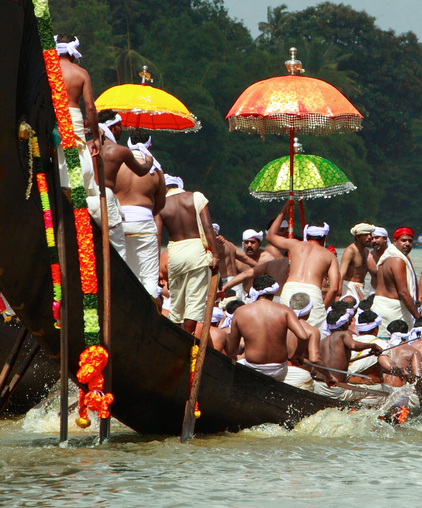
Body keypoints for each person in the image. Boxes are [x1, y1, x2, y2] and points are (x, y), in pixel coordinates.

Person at [96, 110, 166, 301]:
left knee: (122, 271)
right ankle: (147, 314)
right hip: (143, 223)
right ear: (150, 145)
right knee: (148, 277)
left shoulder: (117, 161)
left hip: (117, 221)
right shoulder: (156, 169)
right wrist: (147, 214)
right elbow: (161, 203)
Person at [262, 202, 341, 330]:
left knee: (289, 331)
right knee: (312, 333)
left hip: (289, 290)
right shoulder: (330, 255)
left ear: (307, 235)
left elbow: (270, 236)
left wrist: (283, 211)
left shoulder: (294, 244)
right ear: (324, 237)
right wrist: (323, 308)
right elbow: (333, 288)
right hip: (313, 293)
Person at [158, 173, 217, 333]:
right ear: (179, 186)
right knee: (194, 301)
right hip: (197, 252)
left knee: (176, 303)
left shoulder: (161, 205)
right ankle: (187, 337)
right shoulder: (195, 197)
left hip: (175, 254)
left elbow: (157, 235)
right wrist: (216, 255)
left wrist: (156, 266)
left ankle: (175, 337)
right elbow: (208, 227)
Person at [231, 275, 319, 382]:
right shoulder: (285, 311)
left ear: (254, 290)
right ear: (273, 293)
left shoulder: (240, 312)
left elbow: (232, 350)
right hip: (278, 370)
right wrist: (298, 354)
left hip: (252, 367)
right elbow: (303, 337)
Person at [54, 37, 100, 222]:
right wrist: (96, 137)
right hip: (73, 119)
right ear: (73, 52)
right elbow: (90, 108)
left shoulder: (49, 70)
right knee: (78, 162)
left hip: (52, 119)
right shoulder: (81, 73)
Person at [370, 227, 421, 328]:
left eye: (410, 241)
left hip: (379, 306)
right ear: (395, 241)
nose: (407, 243)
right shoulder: (397, 259)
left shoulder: (387, 256)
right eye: (403, 240)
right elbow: (403, 292)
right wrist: (419, 318)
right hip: (393, 310)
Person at [339, 224, 382, 303]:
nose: (369, 237)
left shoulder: (366, 251)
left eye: (370, 234)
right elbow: (341, 274)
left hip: (361, 287)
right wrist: (338, 293)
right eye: (365, 235)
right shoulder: (350, 251)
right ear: (357, 237)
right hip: (349, 288)